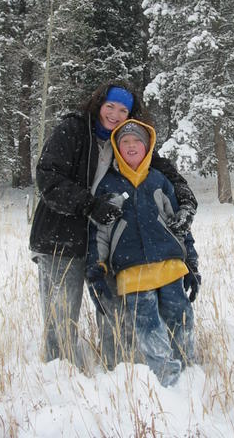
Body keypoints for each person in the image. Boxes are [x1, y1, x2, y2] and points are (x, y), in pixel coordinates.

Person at [29, 81, 197, 367]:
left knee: (116, 314)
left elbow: (163, 172)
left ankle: (119, 373)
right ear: (98, 104)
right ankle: (59, 377)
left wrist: (186, 200)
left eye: (123, 110)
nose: (115, 114)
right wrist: (90, 205)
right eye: (110, 106)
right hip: (61, 239)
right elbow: (48, 177)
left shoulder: (125, 142)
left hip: (107, 244)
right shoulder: (74, 130)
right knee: (60, 315)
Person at [86, 119, 201, 387]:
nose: (131, 146)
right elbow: (100, 232)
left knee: (181, 318)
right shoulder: (108, 186)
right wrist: (97, 265)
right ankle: (167, 381)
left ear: (147, 145)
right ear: (116, 147)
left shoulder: (160, 180)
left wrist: (191, 263)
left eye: (136, 140)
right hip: (132, 272)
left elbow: (180, 226)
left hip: (170, 267)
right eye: (124, 142)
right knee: (149, 328)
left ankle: (190, 376)